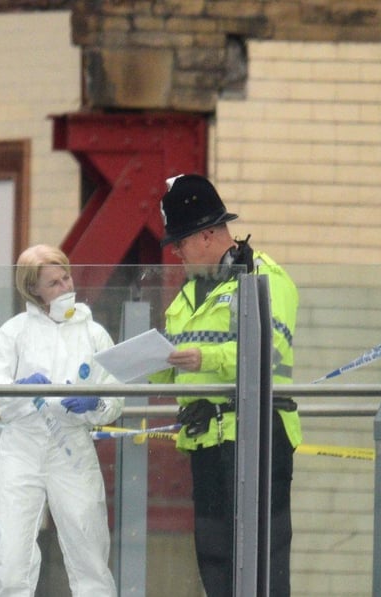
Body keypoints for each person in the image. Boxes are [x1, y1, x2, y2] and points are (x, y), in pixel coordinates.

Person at [148, 174, 301, 597]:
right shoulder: (186, 297)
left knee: (262, 560)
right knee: (214, 559)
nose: (176, 253)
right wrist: (142, 364)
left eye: (180, 242)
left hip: (257, 434)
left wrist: (206, 358)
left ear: (208, 236)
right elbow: (176, 370)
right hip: (205, 440)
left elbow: (268, 353)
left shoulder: (265, 277)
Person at [0, 244, 123, 597]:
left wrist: (95, 402)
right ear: (33, 290)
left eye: (66, 277)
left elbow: (115, 396)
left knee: (89, 554)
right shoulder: (15, 331)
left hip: (71, 447)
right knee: (11, 560)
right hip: (22, 447)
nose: (65, 287)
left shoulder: (93, 334)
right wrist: (17, 389)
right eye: (53, 283)